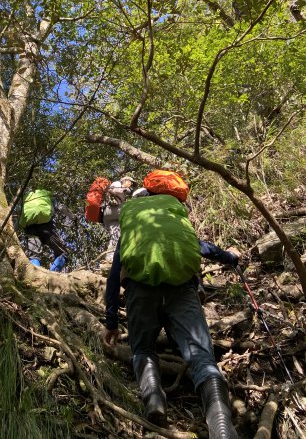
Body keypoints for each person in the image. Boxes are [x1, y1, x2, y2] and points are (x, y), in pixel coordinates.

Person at [102, 170, 239, 438]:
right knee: (201, 356)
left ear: (147, 191)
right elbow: (201, 247)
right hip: (182, 290)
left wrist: (111, 321)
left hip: (140, 291)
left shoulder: (131, 215)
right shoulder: (176, 213)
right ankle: (221, 425)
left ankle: (154, 400)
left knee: (142, 349)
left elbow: (115, 270)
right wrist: (230, 257)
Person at [20, 189, 72, 272]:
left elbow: (22, 217)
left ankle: (34, 275)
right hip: (46, 227)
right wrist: (73, 217)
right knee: (63, 253)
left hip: (29, 228)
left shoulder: (27, 199)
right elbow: (61, 207)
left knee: (34, 256)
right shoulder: (49, 197)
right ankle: (52, 275)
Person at [102, 176, 137, 262]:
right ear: (124, 180)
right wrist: (124, 189)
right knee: (133, 210)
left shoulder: (123, 193)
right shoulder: (117, 183)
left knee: (116, 235)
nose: (131, 184)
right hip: (110, 210)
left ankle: (110, 258)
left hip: (110, 216)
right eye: (130, 182)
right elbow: (112, 190)